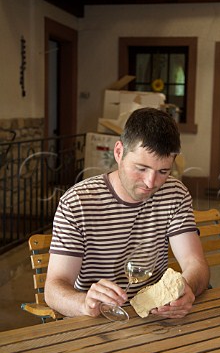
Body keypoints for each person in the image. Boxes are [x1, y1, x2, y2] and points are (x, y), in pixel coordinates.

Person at [45, 107, 209, 319]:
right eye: (141, 168)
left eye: (163, 171)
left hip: (154, 318)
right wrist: (84, 303)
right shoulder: (77, 202)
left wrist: (188, 289)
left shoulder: (175, 193)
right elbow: (54, 289)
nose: (151, 183)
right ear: (119, 152)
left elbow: (196, 264)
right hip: (97, 321)